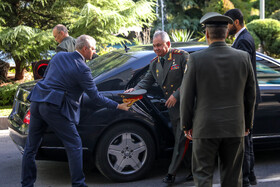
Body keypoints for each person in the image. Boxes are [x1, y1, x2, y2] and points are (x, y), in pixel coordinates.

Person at [21, 35, 130, 187]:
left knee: (31, 148)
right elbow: (95, 97)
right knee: (74, 144)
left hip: (37, 101)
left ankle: (26, 184)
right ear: (85, 49)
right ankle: (78, 184)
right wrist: (118, 106)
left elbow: (47, 79)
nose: (94, 51)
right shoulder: (82, 68)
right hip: (54, 107)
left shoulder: (59, 56)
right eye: (93, 49)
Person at [180, 12, 256, 187]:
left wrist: (186, 125)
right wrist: (247, 125)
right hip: (235, 127)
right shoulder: (243, 58)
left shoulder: (195, 59)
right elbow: (250, 94)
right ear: (226, 33)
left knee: (203, 177)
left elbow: (186, 96)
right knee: (232, 179)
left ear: (207, 34)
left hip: (204, 127)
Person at [125, 30, 192, 184]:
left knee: (181, 140)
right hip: (173, 110)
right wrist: (133, 90)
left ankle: (172, 173)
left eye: (159, 45)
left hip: (186, 106)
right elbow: (146, 82)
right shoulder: (154, 63)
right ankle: (193, 170)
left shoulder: (181, 57)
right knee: (181, 139)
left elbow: (189, 79)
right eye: (154, 46)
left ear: (168, 44)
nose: (156, 48)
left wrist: (176, 95)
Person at [224, 8, 260, 187]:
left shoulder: (244, 40)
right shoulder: (243, 38)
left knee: (244, 139)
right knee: (247, 138)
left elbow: (244, 74)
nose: (227, 27)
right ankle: (251, 176)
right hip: (247, 97)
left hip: (246, 98)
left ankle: (245, 179)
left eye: (228, 24)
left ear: (236, 22)